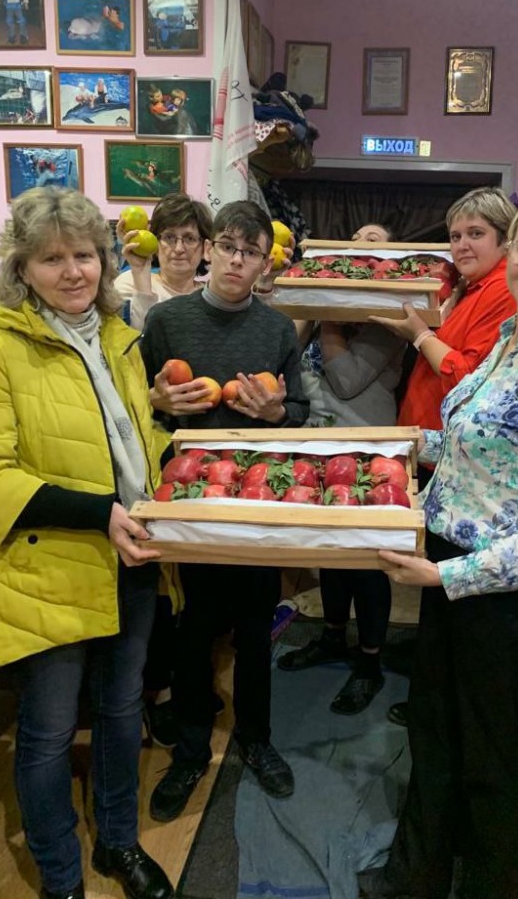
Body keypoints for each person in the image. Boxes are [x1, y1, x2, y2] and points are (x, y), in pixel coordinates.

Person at [357, 190, 518, 899]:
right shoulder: (511, 338)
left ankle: (486, 886)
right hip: (449, 565)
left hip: (496, 594)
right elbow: (481, 450)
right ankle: (416, 877)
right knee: (436, 731)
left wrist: (443, 578)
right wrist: (401, 445)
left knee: (492, 758)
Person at [0, 187, 174, 899]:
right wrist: (99, 513)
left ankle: (118, 842)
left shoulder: (116, 335)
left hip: (130, 558)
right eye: (52, 259)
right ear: (21, 267)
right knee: (46, 733)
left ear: (104, 260)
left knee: (120, 711)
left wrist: (184, 466)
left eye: (84, 254)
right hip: (44, 570)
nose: (73, 271)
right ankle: (61, 877)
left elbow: (131, 442)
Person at [141, 200, 309, 822]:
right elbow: (139, 404)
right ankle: (189, 751)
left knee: (256, 627)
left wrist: (277, 413)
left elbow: (300, 412)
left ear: (265, 263)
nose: (238, 260)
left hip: (256, 499)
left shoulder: (278, 331)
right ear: (209, 250)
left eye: (251, 252)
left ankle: (256, 739)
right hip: (186, 500)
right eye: (229, 247)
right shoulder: (165, 321)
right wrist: (161, 404)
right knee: (194, 627)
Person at [371, 186, 518, 726]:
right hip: (433, 445)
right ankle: (431, 683)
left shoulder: (503, 292)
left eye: (476, 234)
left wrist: (418, 335)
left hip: (452, 451)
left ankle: (438, 703)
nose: (462, 245)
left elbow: (466, 375)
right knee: (437, 581)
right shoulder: (471, 287)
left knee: (448, 581)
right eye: (455, 235)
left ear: (505, 240)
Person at [278, 222, 407, 714]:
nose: (361, 244)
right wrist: (311, 303)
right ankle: (333, 637)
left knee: (368, 562)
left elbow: (347, 379)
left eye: (375, 240)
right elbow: (286, 352)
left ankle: (370, 663)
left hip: (369, 451)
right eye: (356, 239)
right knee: (330, 552)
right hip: (319, 444)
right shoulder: (319, 314)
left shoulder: (387, 321)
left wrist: (327, 315)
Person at [114, 193, 213, 330]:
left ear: (205, 248)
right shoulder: (128, 283)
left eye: (190, 238)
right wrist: (141, 278)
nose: (179, 249)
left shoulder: (212, 298)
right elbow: (137, 340)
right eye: (169, 237)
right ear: (156, 243)